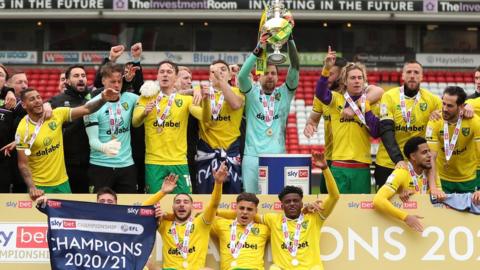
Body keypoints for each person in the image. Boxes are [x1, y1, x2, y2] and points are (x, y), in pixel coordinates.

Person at [218, 152, 339, 269]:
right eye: (287, 202)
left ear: (302, 203)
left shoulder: (314, 218)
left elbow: (334, 196)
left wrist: (325, 169)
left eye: (295, 201)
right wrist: (217, 213)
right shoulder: (273, 219)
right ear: (282, 206)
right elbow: (246, 213)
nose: (292, 204)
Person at [15, 87, 119, 200]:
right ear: (24, 105)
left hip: (62, 182)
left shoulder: (57, 114)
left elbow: (86, 109)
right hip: (39, 186)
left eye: (39, 97)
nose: (37, 101)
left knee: (66, 217)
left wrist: (103, 99)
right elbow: (23, 164)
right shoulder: (22, 130)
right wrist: (32, 187)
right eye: (32, 99)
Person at [238, 30, 299, 193]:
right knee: (251, 200)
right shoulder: (251, 94)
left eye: (273, 73)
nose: (270, 76)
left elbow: (295, 66)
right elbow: (242, 77)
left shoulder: (284, 94)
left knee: (276, 201)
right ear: (259, 76)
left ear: (279, 78)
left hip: (277, 157)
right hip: (252, 157)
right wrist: (259, 48)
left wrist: (289, 39)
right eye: (266, 73)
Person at [132, 60, 205, 194]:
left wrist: (201, 94)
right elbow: (135, 122)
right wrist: (144, 113)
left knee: (183, 201)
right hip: (154, 162)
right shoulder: (145, 98)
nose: (165, 75)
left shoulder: (186, 100)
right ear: (157, 76)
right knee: (155, 204)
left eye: (169, 72)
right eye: (162, 72)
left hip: (179, 161)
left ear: (176, 77)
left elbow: (203, 116)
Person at [315, 47, 380, 194]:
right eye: (352, 78)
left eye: (360, 78)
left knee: (359, 213)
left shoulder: (370, 102)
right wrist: (326, 69)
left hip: (362, 166)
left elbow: (376, 132)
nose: (357, 81)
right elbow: (320, 93)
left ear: (364, 80)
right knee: (337, 212)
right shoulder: (335, 99)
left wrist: (364, 108)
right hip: (339, 165)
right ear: (344, 81)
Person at [375, 60, 442, 189]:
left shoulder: (433, 101)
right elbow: (386, 131)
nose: (412, 75)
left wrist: (465, 107)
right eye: (409, 72)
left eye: (416, 72)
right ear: (402, 76)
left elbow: (451, 114)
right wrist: (398, 160)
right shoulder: (389, 96)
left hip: (417, 166)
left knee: (417, 206)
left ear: (422, 77)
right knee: (384, 204)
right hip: (388, 163)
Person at [155, 162, 228, 269]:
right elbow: (142, 209)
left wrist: (218, 183)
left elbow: (214, 204)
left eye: (185, 202)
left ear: (192, 207)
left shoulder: (201, 222)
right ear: (173, 207)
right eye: (178, 202)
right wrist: (162, 192)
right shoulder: (164, 223)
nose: (181, 204)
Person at [85, 63, 139, 193]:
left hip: (126, 166)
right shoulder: (92, 105)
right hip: (101, 165)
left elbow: (157, 99)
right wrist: (105, 147)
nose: (116, 85)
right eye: (112, 81)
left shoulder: (131, 99)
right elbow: (93, 141)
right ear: (103, 81)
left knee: (128, 209)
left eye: (119, 81)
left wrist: (193, 90)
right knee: (99, 209)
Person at [195, 60, 245, 194]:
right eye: (214, 71)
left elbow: (235, 104)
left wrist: (221, 80)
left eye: (223, 69)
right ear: (209, 77)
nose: (218, 73)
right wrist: (192, 91)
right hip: (207, 151)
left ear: (230, 76)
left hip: (231, 151)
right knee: (205, 199)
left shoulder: (239, 91)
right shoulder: (200, 91)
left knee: (232, 198)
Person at [373, 136, 442, 232]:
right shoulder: (401, 171)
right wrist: (406, 217)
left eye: (429, 151)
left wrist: (415, 194)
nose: (430, 155)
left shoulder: (431, 170)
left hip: (430, 226)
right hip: (402, 230)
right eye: (424, 152)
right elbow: (378, 200)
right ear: (413, 156)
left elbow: (439, 196)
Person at [426, 86, 480, 194]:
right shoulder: (435, 121)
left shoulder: (474, 121)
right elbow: (431, 157)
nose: (445, 109)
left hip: (468, 180)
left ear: (461, 107)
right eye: (443, 103)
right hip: (441, 179)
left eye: (450, 106)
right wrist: (433, 187)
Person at [49, 65, 92, 193]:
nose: (81, 79)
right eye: (76, 76)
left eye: (83, 76)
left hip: (91, 162)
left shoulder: (92, 97)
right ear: (67, 81)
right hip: (67, 164)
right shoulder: (57, 101)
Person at [211, 192, 269, 270]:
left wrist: (254, 216)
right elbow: (203, 216)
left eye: (249, 209)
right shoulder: (222, 224)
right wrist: (220, 212)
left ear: (256, 211)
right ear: (235, 209)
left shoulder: (264, 229)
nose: (245, 212)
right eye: (241, 208)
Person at [0, 64, 19, 192]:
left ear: (5, 81)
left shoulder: (12, 103)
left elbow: (27, 126)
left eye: (0, 75)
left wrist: (17, 140)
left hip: (3, 161)